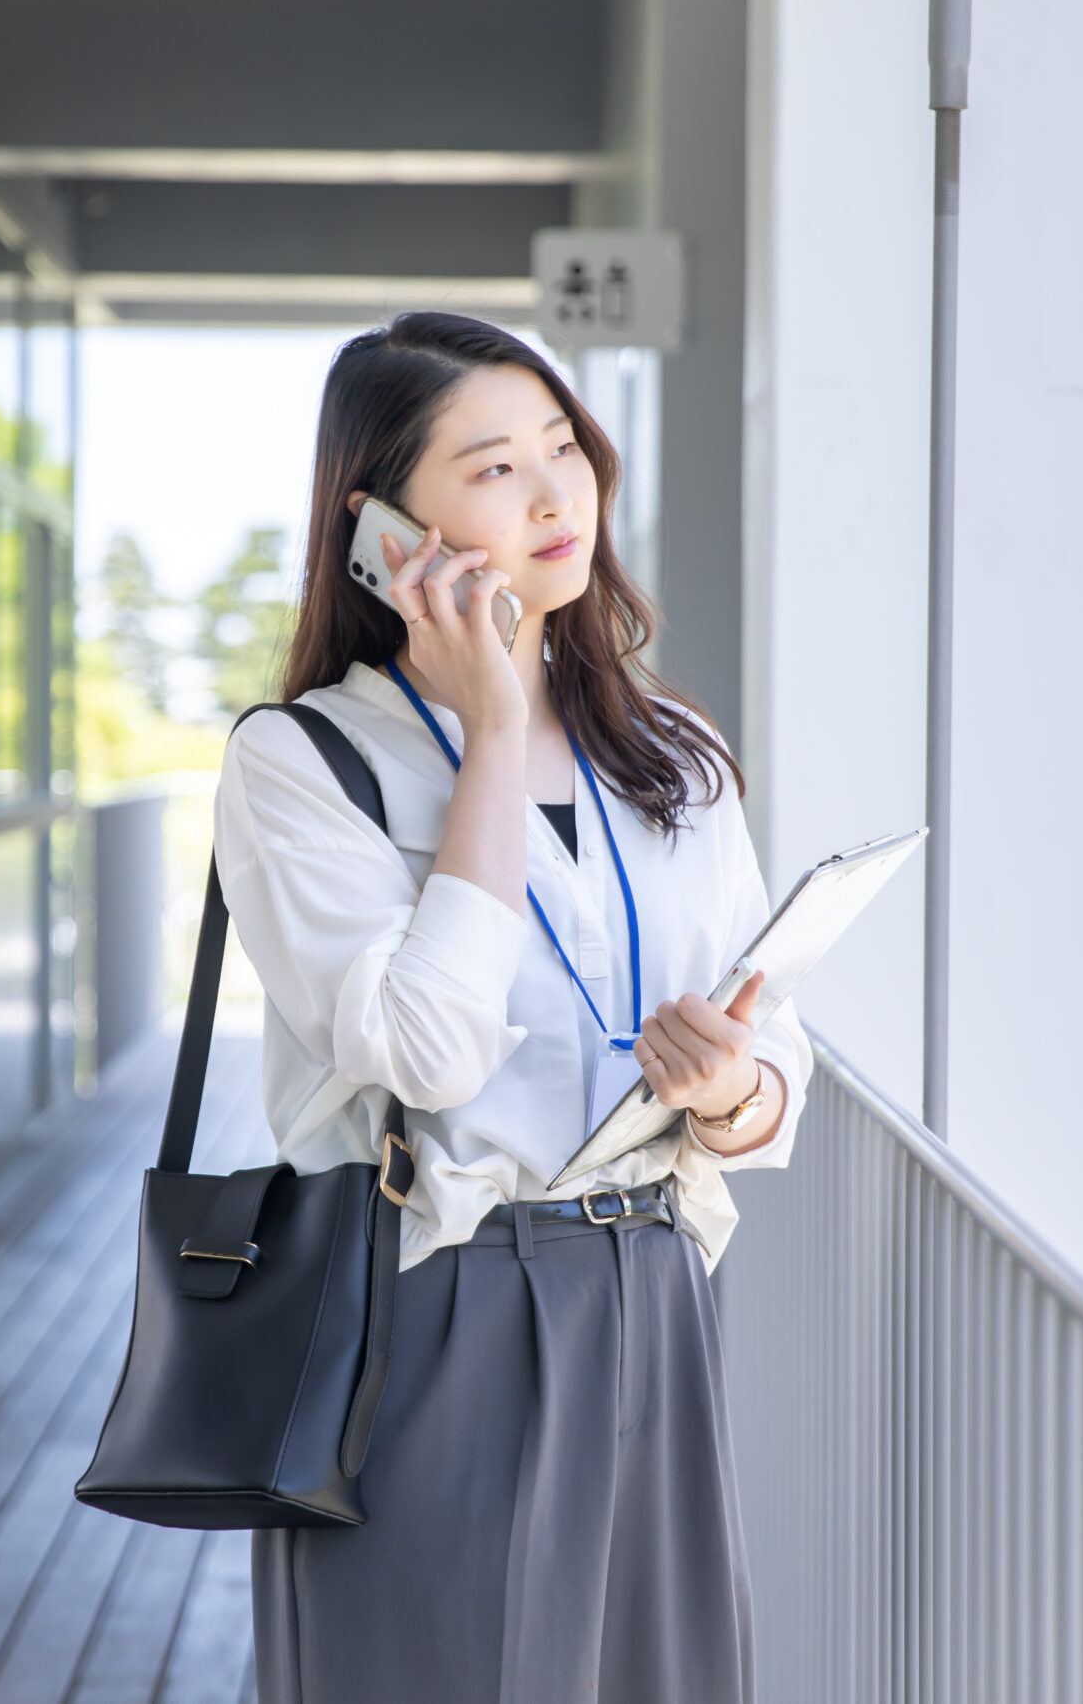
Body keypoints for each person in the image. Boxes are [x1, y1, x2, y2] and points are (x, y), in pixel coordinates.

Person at [214, 312, 810, 1703]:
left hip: (655, 1286)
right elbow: (430, 1046)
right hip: (434, 1302)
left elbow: (773, 1036)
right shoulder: (306, 765)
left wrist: (733, 1093)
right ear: (380, 527)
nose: (555, 498)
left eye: (564, 448)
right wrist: (491, 732)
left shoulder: (672, 754)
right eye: (492, 469)